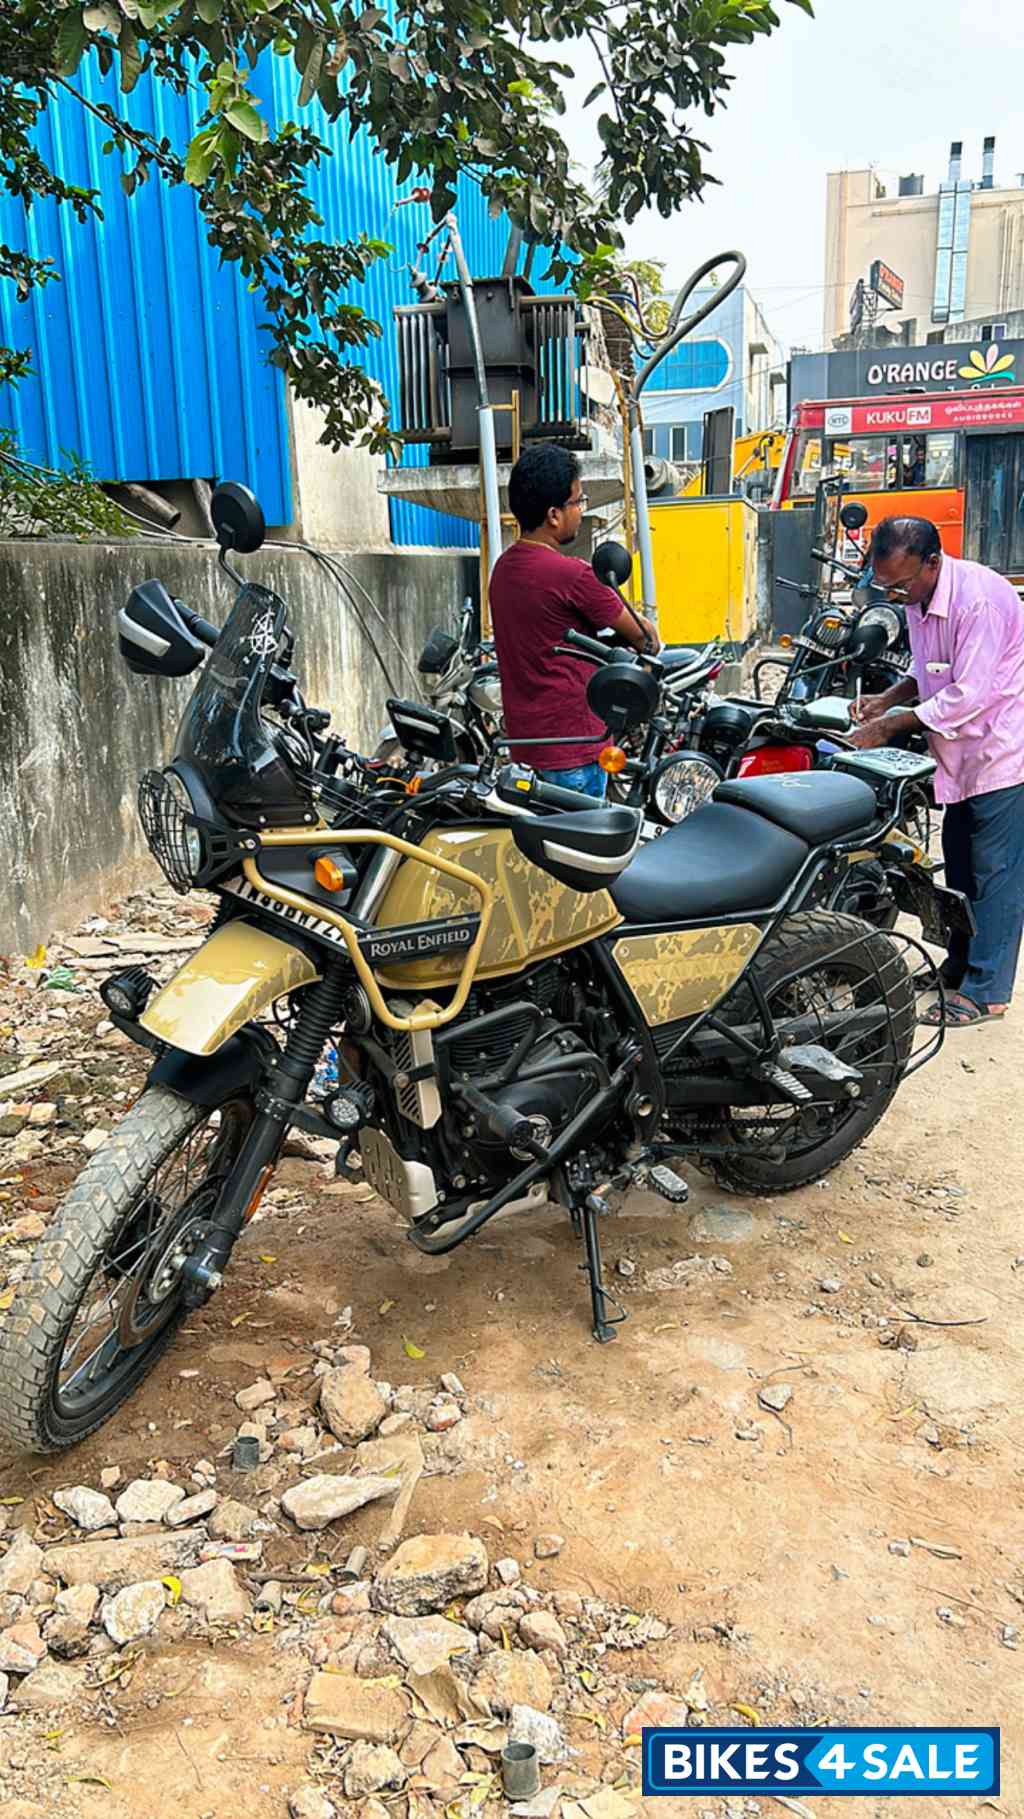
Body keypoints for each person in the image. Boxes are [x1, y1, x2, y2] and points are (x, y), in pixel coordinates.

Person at [849, 514, 1024, 1027]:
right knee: (962, 869)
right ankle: (959, 967)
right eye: (886, 587)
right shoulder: (920, 597)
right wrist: (887, 699)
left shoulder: (979, 600)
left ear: (932, 561)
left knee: (996, 874)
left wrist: (891, 726)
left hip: (999, 753)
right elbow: (926, 667)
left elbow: (969, 691)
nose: (896, 596)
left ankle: (988, 990)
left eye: (900, 585)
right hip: (958, 754)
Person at [488, 444, 659, 798]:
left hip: (526, 751)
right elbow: (647, 640)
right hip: (575, 750)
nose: (582, 511)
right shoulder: (573, 576)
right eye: (578, 502)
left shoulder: (502, 570)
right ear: (553, 514)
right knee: (580, 852)